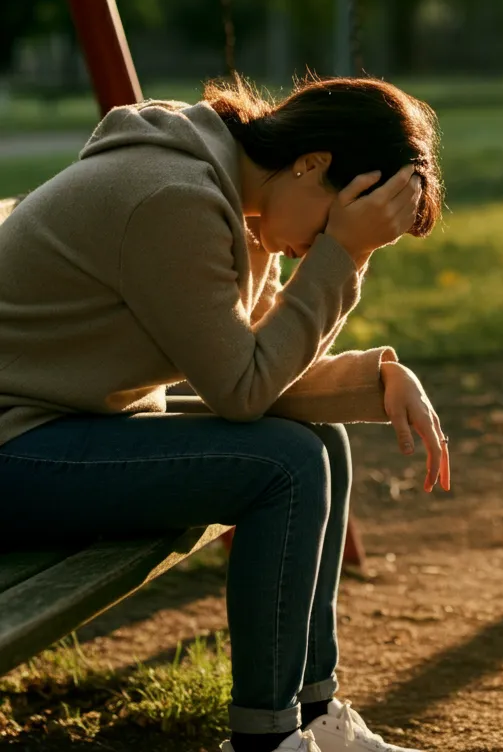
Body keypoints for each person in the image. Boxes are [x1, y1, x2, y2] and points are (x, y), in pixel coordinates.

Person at [0, 74, 451, 752]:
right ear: (313, 165)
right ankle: (268, 740)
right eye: (337, 219)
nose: (324, 243)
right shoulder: (172, 199)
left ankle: (313, 715)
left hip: (63, 428)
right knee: (286, 464)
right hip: (17, 449)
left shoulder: (238, 199)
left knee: (317, 440)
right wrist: (343, 255)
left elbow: (258, 369)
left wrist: (378, 375)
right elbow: (242, 391)